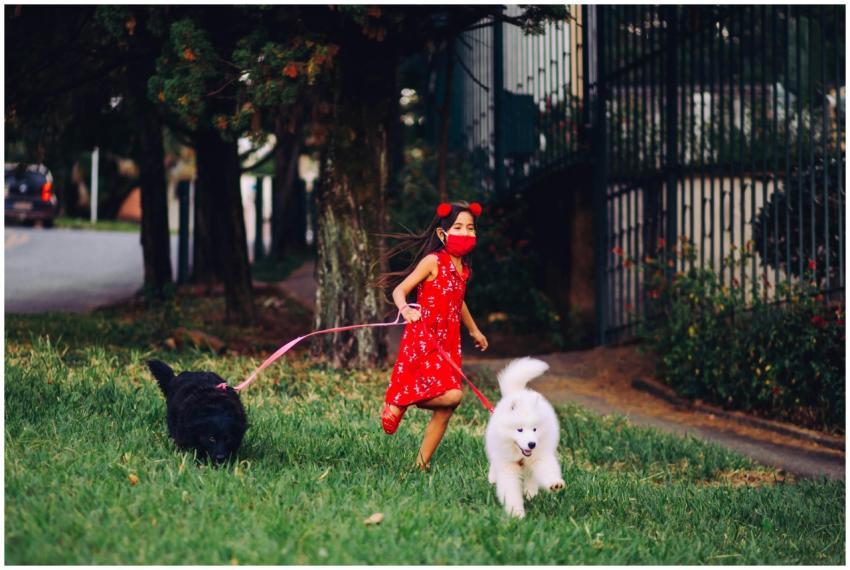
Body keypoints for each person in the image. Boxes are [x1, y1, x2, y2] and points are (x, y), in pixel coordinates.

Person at [377, 200, 488, 470]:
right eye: (458, 227)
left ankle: (421, 464)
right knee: (453, 396)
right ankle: (400, 400)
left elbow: (458, 300)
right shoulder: (432, 262)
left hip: (449, 342)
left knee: (447, 407)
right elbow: (399, 290)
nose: (465, 233)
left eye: (470, 228)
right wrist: (406, 310)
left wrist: (474, 330)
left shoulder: (463, 270)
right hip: (424, 338)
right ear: (442, 234)